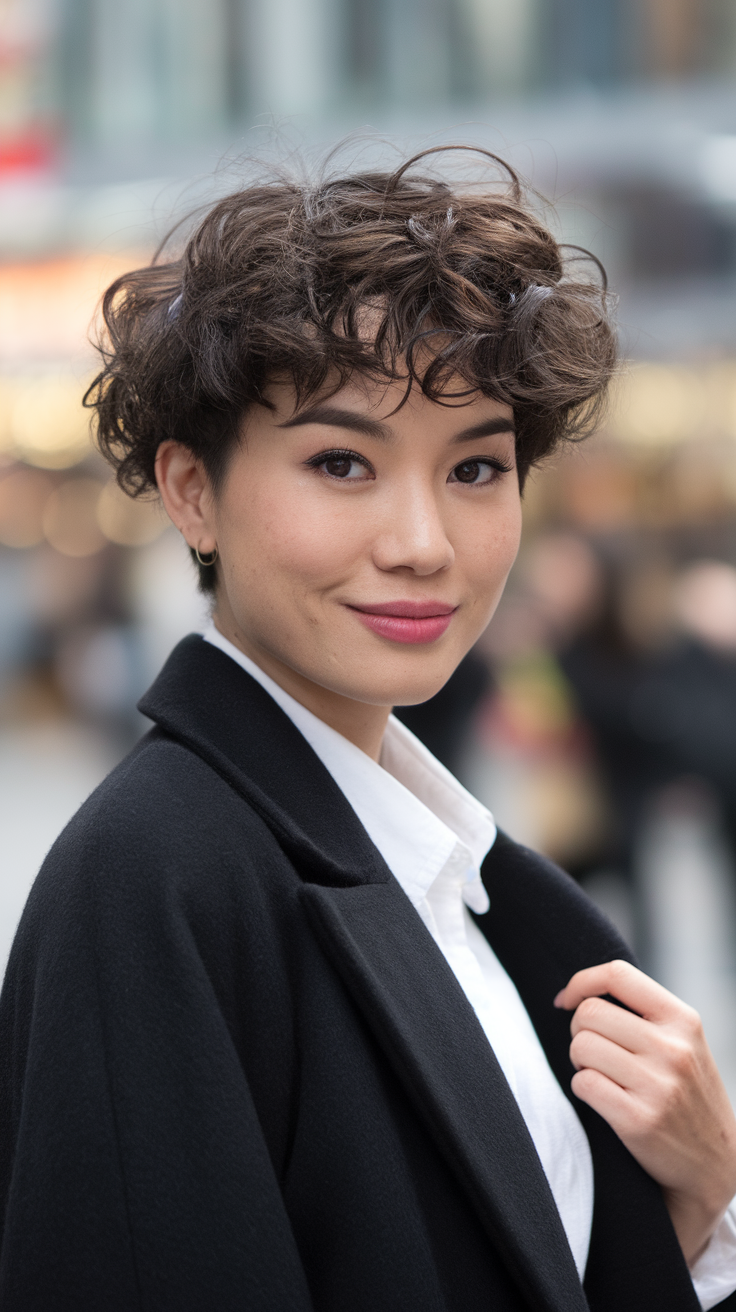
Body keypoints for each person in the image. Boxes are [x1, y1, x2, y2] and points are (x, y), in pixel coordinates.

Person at [1, 146, 735, 1312]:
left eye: (476, 467)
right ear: (191, 488)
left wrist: (696, 1210)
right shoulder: (156, 880)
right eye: (341, 462)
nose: (422, 542)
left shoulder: (458, 876)